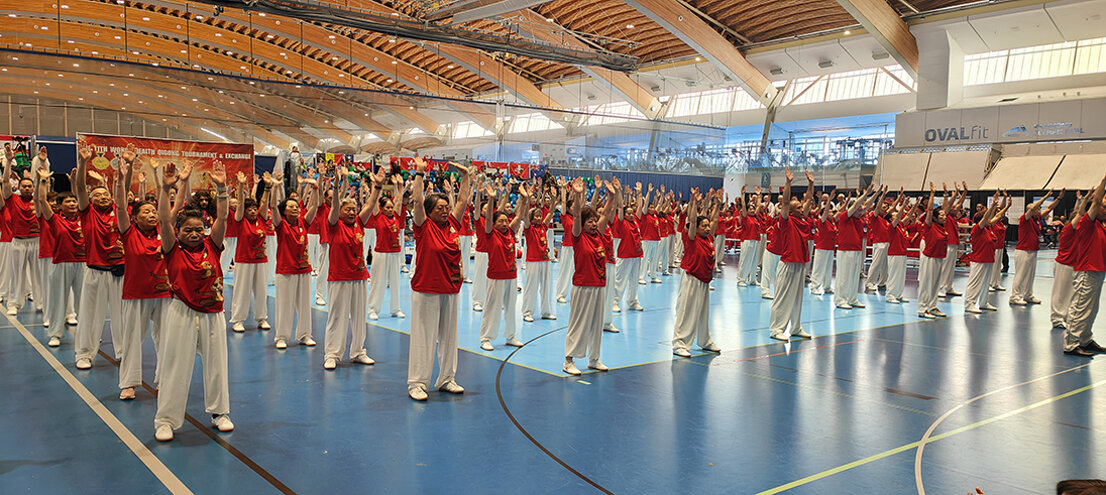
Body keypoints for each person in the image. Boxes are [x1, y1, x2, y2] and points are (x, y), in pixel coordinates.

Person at [153, 160, 233, 442]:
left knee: (217, 365)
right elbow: (164, 220)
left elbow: (223, 218)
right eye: (188, 230)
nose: (195, 233)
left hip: (213, 312)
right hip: (182, 311)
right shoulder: (172, 248)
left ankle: (220, 413)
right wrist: (166, 189)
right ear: (178, 232)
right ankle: (165, 420)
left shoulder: (213, 245)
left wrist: (221, 188)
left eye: (199, 229)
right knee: (175, 366)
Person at [407, 158, 473, 401]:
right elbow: (417, 200)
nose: (445, 211)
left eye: (447, 207)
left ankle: (447, 378)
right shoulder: (423, 226)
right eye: (440, 208)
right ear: (429, 211)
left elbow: (463, 200)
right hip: (426, 289)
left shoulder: (453, 225)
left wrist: (466, 176)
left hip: (450, 289)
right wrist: (420, 173)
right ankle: (417, 383)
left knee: (449, 336)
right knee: (424, 337)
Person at [114, 146, 174, 401]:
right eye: (145, 212)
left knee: (166, 340)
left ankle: (164, 380)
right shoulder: (129, 234)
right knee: (132, 340)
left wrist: (162, 180)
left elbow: (168, 206)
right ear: (135, 218)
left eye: (153, 211)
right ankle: (129, 383)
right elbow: (120, 205)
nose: (151, 214)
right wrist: (122, 176)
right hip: (135, 294)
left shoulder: (166, 233)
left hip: (164, 295)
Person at [72, 142, 126, 370]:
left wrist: (123, 172)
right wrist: (83, 162)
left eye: (106, 194)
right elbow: (80, 189)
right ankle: (84, 353)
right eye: (98, 195)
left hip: (119, 272)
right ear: (90, 200)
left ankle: (123, 351)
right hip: (95, 271)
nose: (103, 197)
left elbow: (121, 192)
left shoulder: (120, 212)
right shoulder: (87, 214)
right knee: (90, 315)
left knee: (122, 316)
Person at [322, 167, 382, 370]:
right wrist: (337, 186)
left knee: (358, 316)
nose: (351, 212)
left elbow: (371, 204)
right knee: (337, 317)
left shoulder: (358, 223)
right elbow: (334, 205)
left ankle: (358, 351)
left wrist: (377, 187)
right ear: (339, 212)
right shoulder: (333, 225)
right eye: (347, 209)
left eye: (353, 209)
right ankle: (332, 354)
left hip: (359, 276)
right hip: (339, 278)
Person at [563, 177, 618, 375]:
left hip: (599, 285)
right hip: (583, 286)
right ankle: (568, 360)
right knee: (578, 323)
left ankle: (594, 358)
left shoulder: (599, 235)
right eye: (590, 221)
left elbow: (608, 212)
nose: (594, 224)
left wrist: (613, 195)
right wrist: (578, 195)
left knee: (596, 324)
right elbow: (577, 215)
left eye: (595, 221)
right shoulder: (578, 236)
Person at [35, 163, 86, 347]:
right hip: (60, 263)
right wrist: (42, 181)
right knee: (58, 299)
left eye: (74, 201)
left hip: (83, 263)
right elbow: (42, 201)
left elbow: (81, 195)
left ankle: (87, 334)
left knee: (84, 302)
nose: (72, 204)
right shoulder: (54, 220)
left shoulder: (84, 219)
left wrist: (74, 183)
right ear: (59, 206)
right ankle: (55, 333)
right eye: (68, 202)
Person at [271, 173, 320, 350]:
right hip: (286, 270)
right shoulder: (280, 224)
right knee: (284, 305)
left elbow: (314, 206)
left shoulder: (303, 222)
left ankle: (305, 335)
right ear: (284, 211)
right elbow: (272, 206)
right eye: (290, 206)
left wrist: (316, 187)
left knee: (304, 305)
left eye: (296, 206)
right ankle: (281, 337)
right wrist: (275, 186)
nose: (295, 208)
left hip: (304, 270)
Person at [478, 182, 529, 350]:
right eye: (500, 221)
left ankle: (510, 335)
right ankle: (486, 338)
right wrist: (491, 198)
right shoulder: (490, 233)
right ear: (493, 223)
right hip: (495, 277)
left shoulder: (510, 232)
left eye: (506, 221)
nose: (505, 223)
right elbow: (488, 219)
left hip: (511, 276)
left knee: (510, 308)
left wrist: (524, 198)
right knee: (492, 308)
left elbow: (519, 216)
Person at [672, 187, 721, 356]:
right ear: (697, 227)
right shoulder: (691, 238)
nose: (707, 228)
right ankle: (679, 343)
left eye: (708, 226)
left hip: (704, 280)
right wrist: (693, 201)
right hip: (691, 279)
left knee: (702, 313)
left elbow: (714, 219)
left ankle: (704, 340)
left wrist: (717, 204)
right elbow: (692, 220)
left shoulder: (708, 238)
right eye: (704, 226)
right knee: (687, 312)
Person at [769, 169, 816, 341]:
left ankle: (796, 327)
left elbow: (808, 200)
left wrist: (811, 184)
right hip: (788, 263)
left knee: (797, 298)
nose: (802, 207)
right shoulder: (786, 221)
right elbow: (786, 202)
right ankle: (776, 329)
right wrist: (788, 183)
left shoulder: (804, 220)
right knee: (782, 298)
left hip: (800, 263)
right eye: (798, 207)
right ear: (790, 211)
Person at [1062, 173, 1106, 357]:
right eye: (1104, 206)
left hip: (1098, 271)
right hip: (1087, 271)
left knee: (1092, 308)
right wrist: (1104, 181)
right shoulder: (1086, 223)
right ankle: (1071, 344)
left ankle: (1085, 339)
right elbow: (1096, 202)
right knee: (1080, 307)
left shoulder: (1101, 226)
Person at [1, 145, 44, 316]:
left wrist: (42, 164)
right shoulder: (12, 200)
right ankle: (13, 303)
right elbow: (5, 182)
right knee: (16, 274)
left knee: (38, 275)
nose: (26, 188)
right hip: (17, 241)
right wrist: (9, 162)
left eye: (29, 186)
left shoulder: (38, 200)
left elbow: (43, 183)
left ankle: (41, 302)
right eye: (24, 186)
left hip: (36, 241)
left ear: (33, 188)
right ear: (18, 187)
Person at [229, 172, 272, 332]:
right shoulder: (240, 221)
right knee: (242, 290)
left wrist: (267, 187)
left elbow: (264, 203)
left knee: (261, 290)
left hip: (261, 260)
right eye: (250, 210)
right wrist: (240, 186)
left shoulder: (261, 219)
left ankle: (261, 318)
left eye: (255, 209)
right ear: (245, 212)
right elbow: (240, 204)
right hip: (244, 260)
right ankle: (238, 319)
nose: (253, 212)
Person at [366, 174, 408, 321]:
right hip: (381, 253)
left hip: (395, 253)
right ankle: (373, 309)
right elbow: (374, 200)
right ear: (381, 208)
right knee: (378, 282)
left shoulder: (396, 216)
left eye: (391, 207)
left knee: (395, 282)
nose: (390, 209)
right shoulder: (377, 216)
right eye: (387, 207)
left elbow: (399, 200)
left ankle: (396, 309)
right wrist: (375, 184)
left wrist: (399, 186)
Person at [1010, 190, 1062, 306]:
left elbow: (1050, 208)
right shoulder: (1024, 218)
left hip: (1033, 250)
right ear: (1031, 210)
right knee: (1021, 275)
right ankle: (1014, 296)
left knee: (1030, 275)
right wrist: (1046, 196)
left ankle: (1027, 294)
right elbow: (1033, 208)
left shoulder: (1037, 219)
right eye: (1037, 209)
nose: (1039, 211)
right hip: (1023, 250)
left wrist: (1059, 198)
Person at [835, 185, 881, 310]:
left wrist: (875, 195)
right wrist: (865, 195)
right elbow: (856, 204)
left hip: (856, 250)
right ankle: (840, 300)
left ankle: (852, 298)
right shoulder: (844, 216)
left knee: (854, 276)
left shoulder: (859, 219)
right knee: (844, 276)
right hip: (845, 250)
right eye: (859, 209)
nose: (861, 211)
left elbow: (866, 206)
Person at [964, 192, 1008, 314]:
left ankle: (983, 303)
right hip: (978, 260)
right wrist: (993, 204)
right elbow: (985, 218)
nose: (990, 220)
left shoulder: (989, 229)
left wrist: (1005, 205)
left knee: (985, 283)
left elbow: (997, 215)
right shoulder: (977, 229)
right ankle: (969, 303)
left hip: (988, 259)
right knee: (975, 283)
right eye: (988, 218)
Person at [917, 183, 953, 319]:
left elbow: (946, 207)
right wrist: (932, 194)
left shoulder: (942, 227)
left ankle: (932, 306)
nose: (945, 216)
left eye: (944, 215)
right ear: (935, 218)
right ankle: (922, 308)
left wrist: (947, 195)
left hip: (939, 257)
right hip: (930, 258)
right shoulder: (929, 226)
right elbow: (931, 211)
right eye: (942, 215)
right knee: (927, 284)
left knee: (935, 285)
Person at [1052, 192, 1087, 329]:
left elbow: (1078, 213)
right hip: (1064, 264)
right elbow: (1079, 214)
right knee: (1060, 292)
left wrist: (1079, 200)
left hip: (1074, 264)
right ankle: (1056, 318)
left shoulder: (1078, 230)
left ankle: (1066, 315)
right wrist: (1084, 201)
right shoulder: (1068, 229)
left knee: (1071, 293)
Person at [521, 190, 557, 323]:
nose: (538, 218)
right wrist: (527, 199)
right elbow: (525, 215)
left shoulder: (543, 227)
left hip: (545, 260)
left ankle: (546, 311)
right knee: (531, 287)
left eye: (540, 216)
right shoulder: (528, 228)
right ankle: (527, 312)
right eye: (536, 216)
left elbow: (551, 212)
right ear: (531, 218)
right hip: (533, 261)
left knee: (546, 287)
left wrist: (553, 199)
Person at [612, 182, 646, 313]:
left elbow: (640, 207)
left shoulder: (636, 221)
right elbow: (620, 207)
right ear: (624, 214)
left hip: (637, 255)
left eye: (632, 213)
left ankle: (633, 301)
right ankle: (614, 301)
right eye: (629, 213)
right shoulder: (621, 222)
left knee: (634, 280)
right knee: (620, 280)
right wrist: (620, 192)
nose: (631, 215)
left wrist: (639, 193)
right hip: (624, 255)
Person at [885, 193, 917, 304]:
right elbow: (900, 216)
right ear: (891, 219)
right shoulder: (891, 227)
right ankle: (890, 295)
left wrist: (914, 206)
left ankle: (898, 294)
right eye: (895, 216)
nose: (898, 217)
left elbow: (908, 216)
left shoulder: (900, 226)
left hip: (902, 253)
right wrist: (903, 206)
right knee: (894, 275)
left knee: (901, 275)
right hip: (894, 253)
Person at [810, 192, 836, 295]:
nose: (832, 214)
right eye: (830, 212)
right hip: (822, 248)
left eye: (832, 212)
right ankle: (814, 287)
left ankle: (827, 286)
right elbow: (825, 212)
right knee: (819, 268)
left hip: (830, 248)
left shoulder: (832, 222)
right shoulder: (822, 221)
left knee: (828, 268)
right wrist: (829, 200)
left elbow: (840, 212)